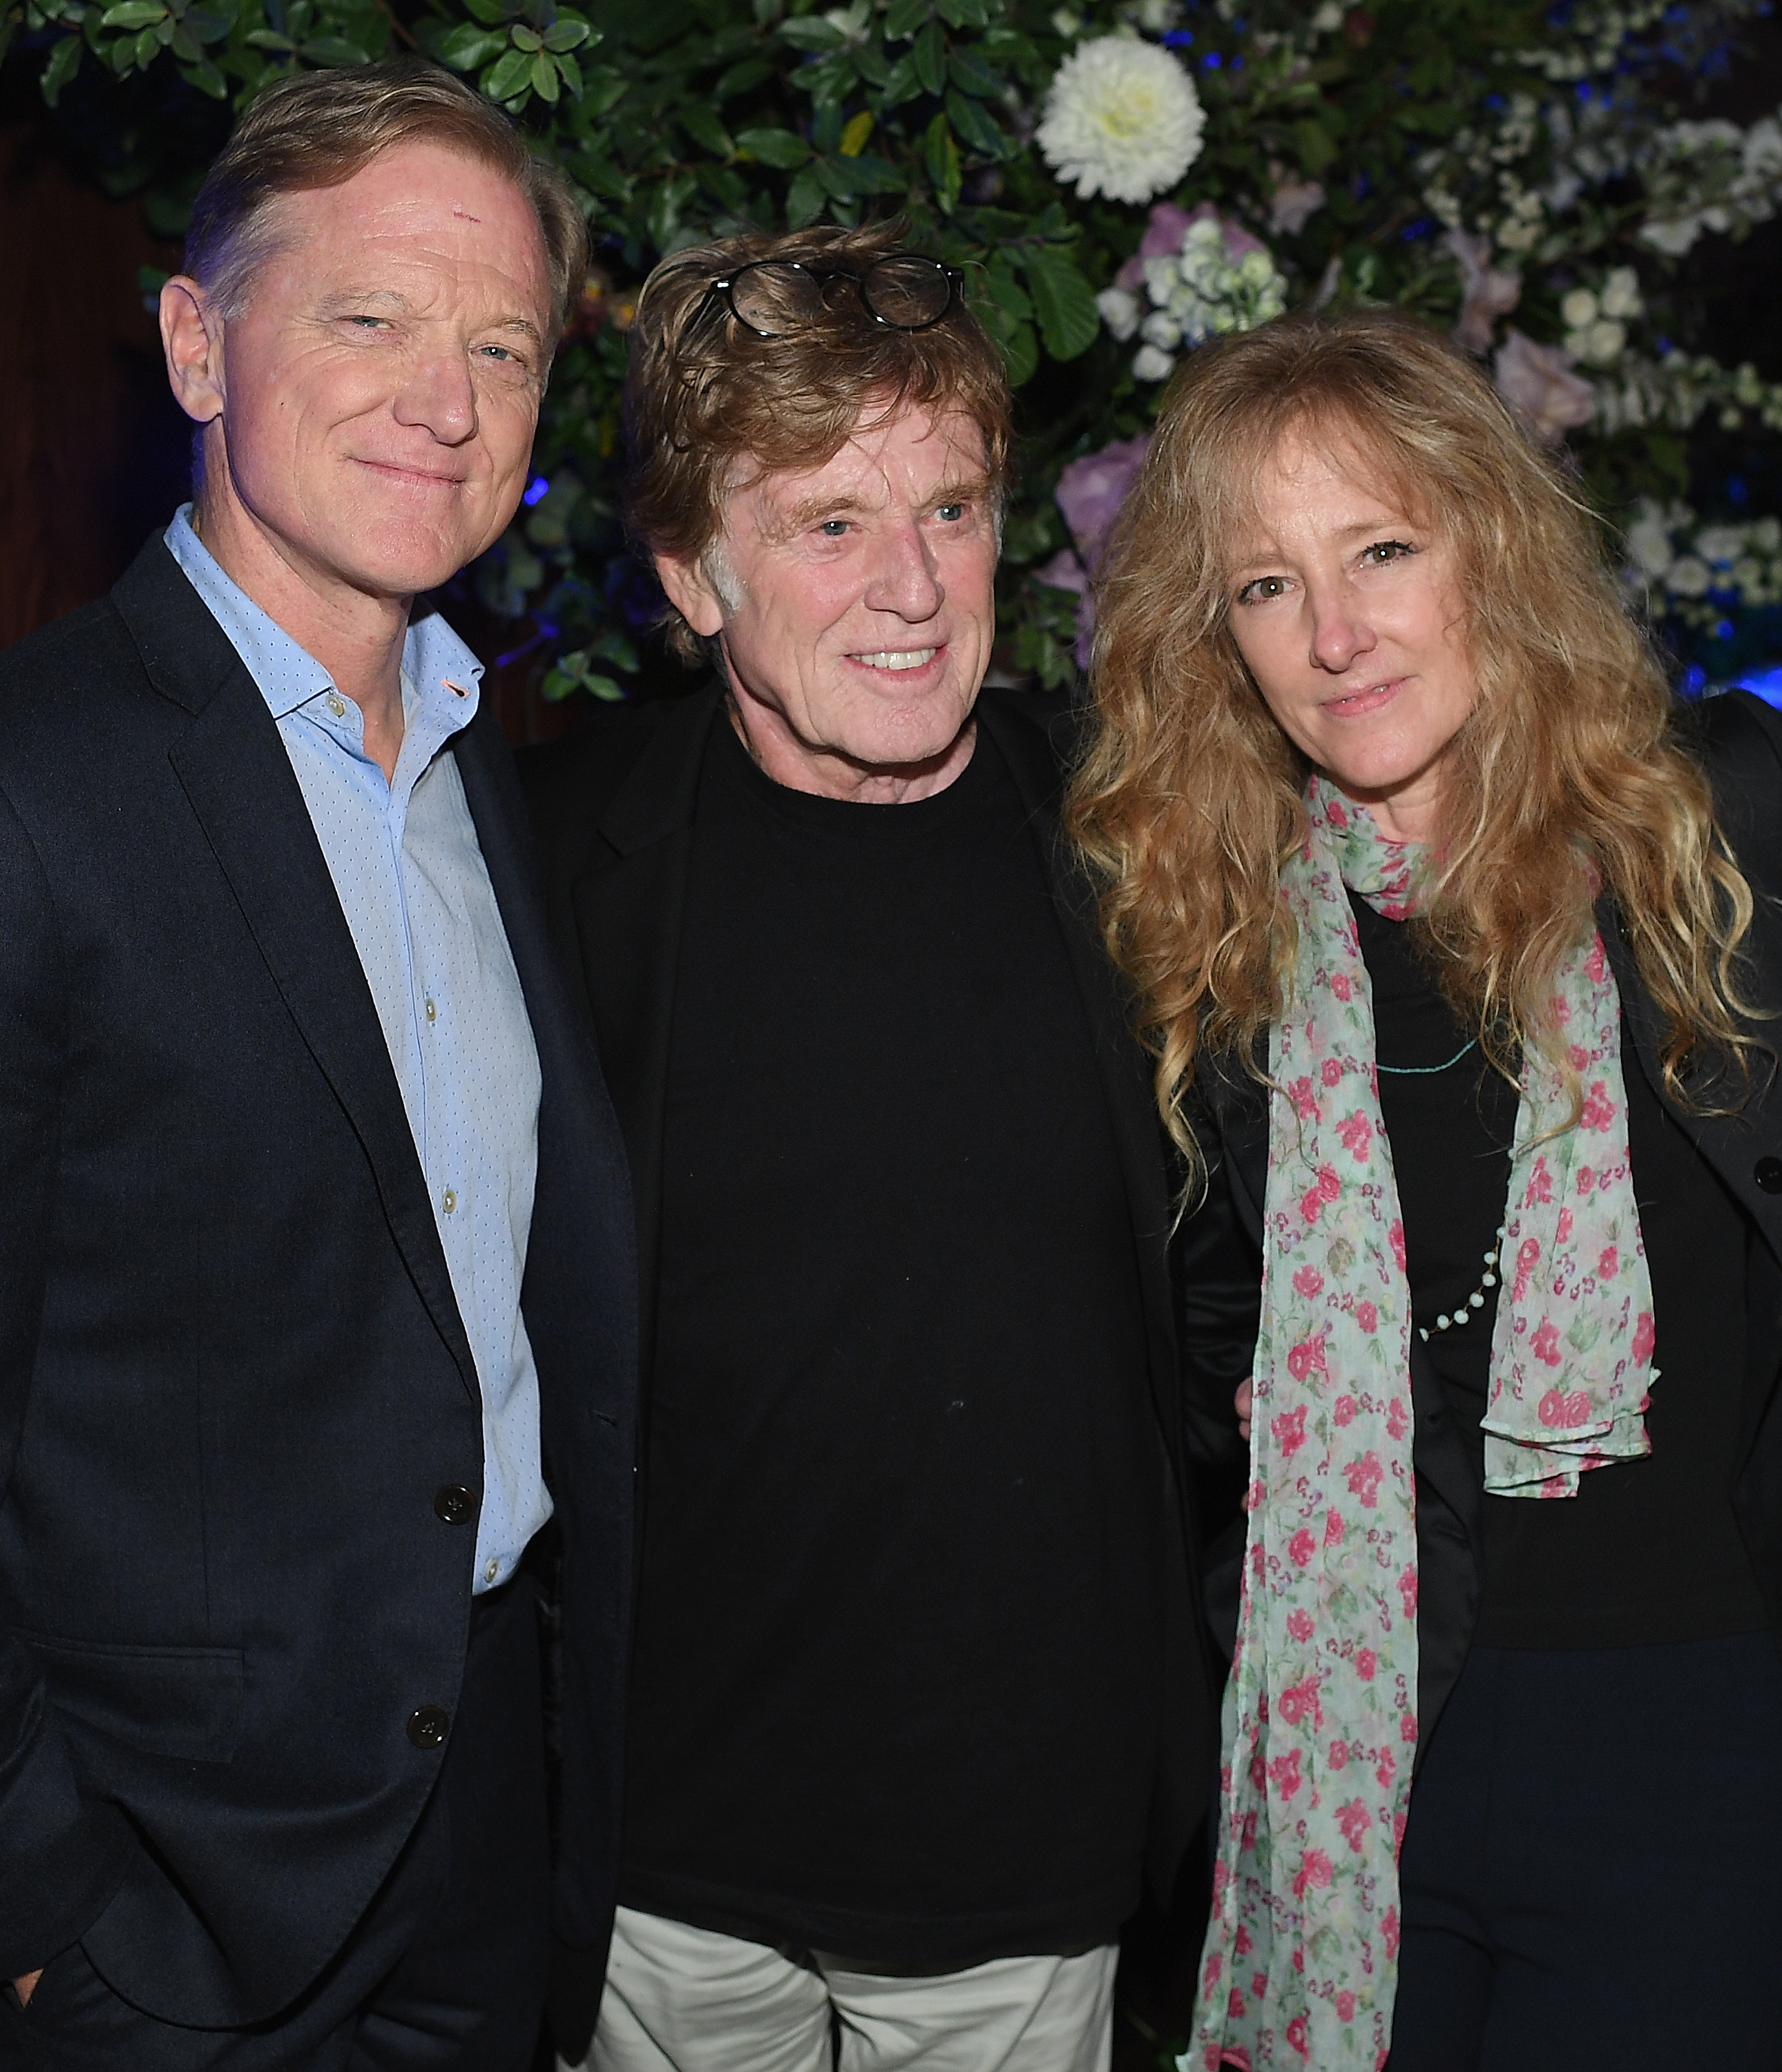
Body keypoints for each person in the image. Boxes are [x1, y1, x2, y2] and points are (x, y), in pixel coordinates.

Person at [0, 61, 636, 2071]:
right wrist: (30, 1921)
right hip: (160, 1915)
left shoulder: (486, 783)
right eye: (367, 316)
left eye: (502, 345)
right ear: (200, 344)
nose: (444, 400)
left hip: (488, 1850)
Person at [517, 220, 1216, 2072]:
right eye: (830, 523)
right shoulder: (545, 863)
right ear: (690, 572)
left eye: (955, 510)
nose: (913, 587)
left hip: (1023, 1867)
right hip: (663, 1867)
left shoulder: (1144, 850)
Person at [1069, 307, 1782, 2072]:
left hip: (1700, 1727)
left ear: (1496, 545)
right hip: (1361, 1743)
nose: (1335, 634)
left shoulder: (1722, 838)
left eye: (1383, 549)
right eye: (1264, 585)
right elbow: (1202, 1299)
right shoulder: (1228, 930)